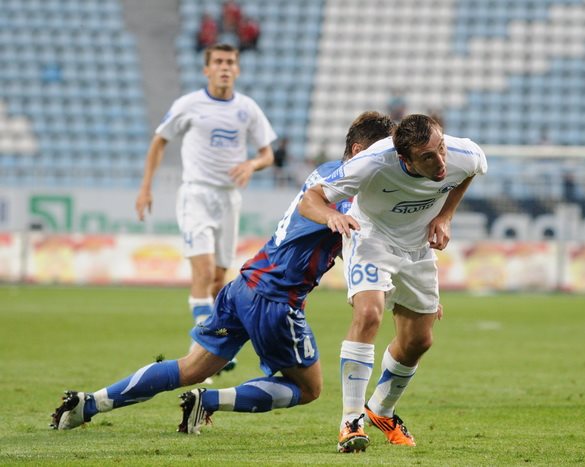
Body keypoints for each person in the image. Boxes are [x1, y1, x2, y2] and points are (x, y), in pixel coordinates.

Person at [51, 112, 397, 435]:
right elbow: (339, 221)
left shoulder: (326, 172)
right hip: (276, 298)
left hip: (245, 285)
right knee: (309, 389)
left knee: (192, 368)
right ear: (359, 151)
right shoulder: (346, 193)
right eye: (384, 154)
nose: (389, 163)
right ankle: (209, 401)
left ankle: (90, 403)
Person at [298, 114, 487, 453]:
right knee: (369, 314)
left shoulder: (464, 154)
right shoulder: (372, 162)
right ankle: (351, 422)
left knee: (418, 341)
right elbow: (309, 200)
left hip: (417, 247)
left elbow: (471, 171)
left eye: (441, 149)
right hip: (370, 238)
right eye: (428, 157)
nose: (441, 162)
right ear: (404, 159)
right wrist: (333, 215)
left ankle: (381, 410)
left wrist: (445, 215)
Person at [135, 44, 276, 353]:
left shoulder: (247, 108)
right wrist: (146, 187)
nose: (224, 67)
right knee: (203, 270)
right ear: (206, 69)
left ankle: (206, 348)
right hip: (196, 194)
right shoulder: (189, 104)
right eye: (218, 62)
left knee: (218, 279)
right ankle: (204, 350)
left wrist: (252, 164)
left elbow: (268, 154)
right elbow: (159, 141)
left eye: (230, 62)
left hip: (229, 198)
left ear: (237, 69)